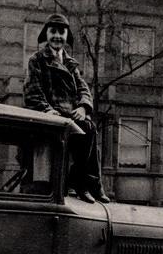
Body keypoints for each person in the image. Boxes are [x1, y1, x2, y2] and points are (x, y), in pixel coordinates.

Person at [24, 13, 110, 204]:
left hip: (70, 117)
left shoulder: (71, 63)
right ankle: (83, 184)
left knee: (88, 126)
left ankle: (88, 184)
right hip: (49, 119)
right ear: (46, 34)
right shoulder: (37, 60)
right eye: (53, 31)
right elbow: (32, 93)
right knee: (87, 129)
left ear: (66, 36)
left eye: (61, 32)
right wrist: (48, 110)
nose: (57, 36)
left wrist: (83, 107)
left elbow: (83, 89)